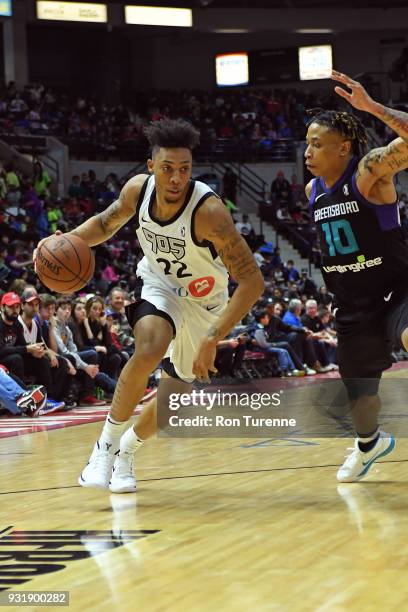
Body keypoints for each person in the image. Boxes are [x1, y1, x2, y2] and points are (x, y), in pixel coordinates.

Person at [35, 118, 264, 493]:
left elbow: (253, 282)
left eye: (185, 170)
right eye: (168, 169)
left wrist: (213, 336)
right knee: (149, 347)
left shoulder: (209, 212)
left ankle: (127, 452)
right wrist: (61, 243)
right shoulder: (136, 192)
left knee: (173, 401)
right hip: (159, 284)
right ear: (151, 166)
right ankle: (104, 449)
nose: (176, 178)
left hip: (206, 302)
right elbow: (106, 224)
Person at [305, 69, 408, 482]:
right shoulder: (313, 191)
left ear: (343, 147)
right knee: (359, 396)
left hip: (397, 290)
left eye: (317, 144)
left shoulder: (368, 172)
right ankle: (369, 445)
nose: (307, 152)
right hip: (352, 305)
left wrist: (372, 108)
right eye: (306, 144)